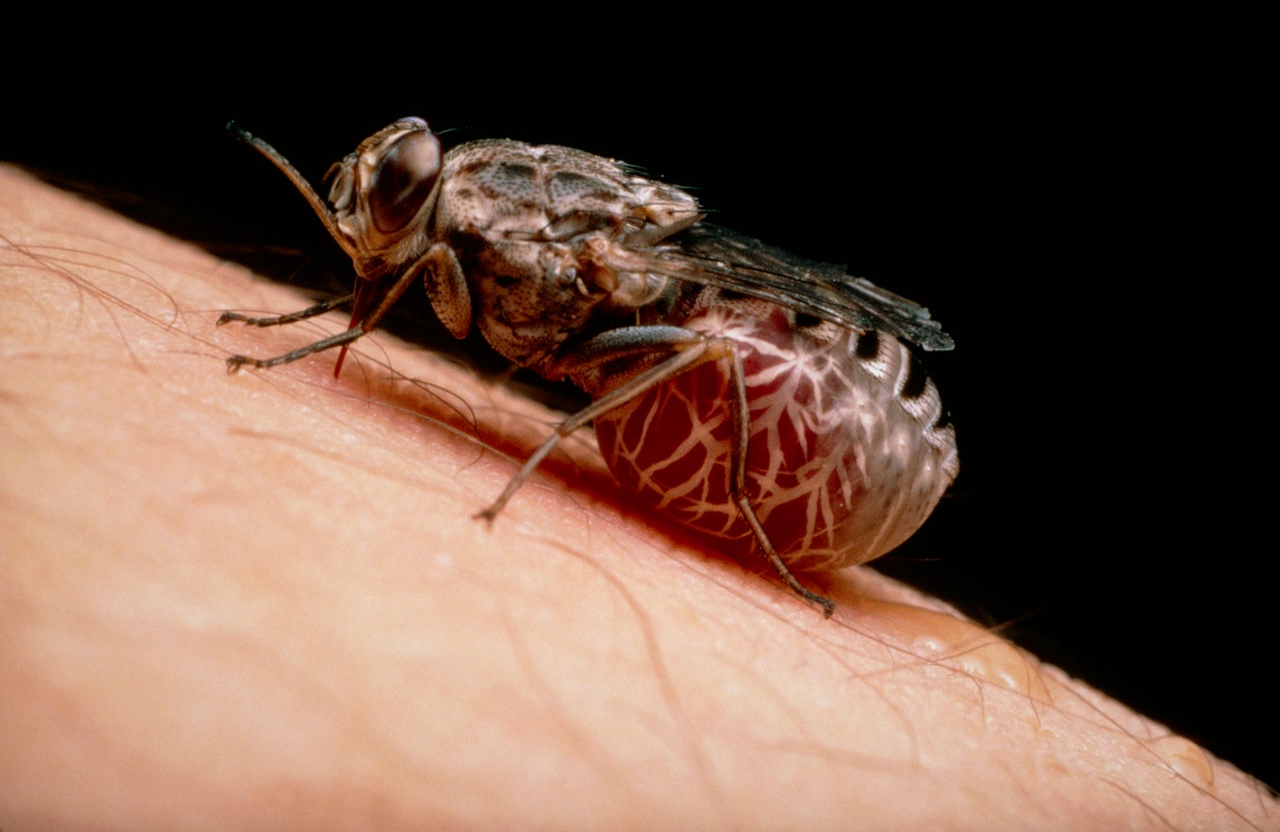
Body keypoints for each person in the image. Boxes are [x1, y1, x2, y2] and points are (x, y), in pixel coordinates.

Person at [1, 165, 1271, 829]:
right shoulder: (457, 235)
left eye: (384, 202)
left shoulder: (518, 237)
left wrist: (538, 458)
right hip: (802, 421)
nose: (373, 225)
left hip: (829, 411)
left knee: (700, 343)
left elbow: (665, 310)